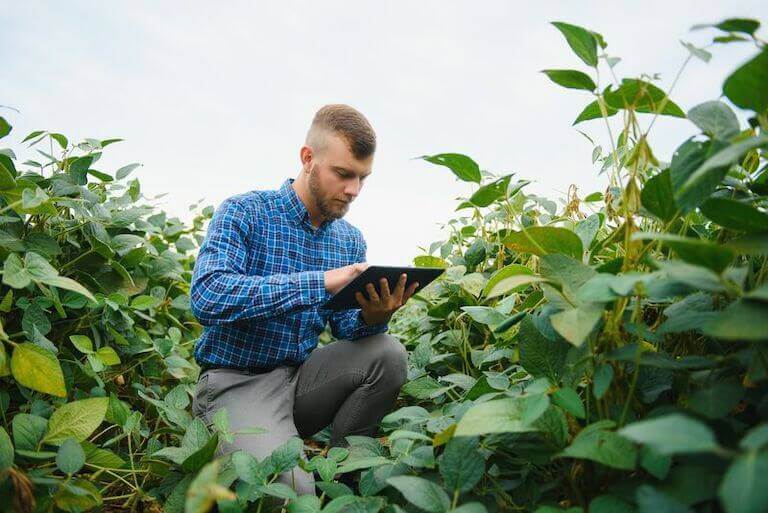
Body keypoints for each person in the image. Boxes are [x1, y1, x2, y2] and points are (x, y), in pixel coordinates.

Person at [189, 104, 418, 497]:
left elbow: (348, 329)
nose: (354, 190)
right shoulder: (245, 212)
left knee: (388, 352)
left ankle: (343, 480)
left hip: (300, 383)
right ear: (308, 159)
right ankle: (298, 477)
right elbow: (209, 295)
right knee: (293, 493)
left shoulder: (349, 240)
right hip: (235, 383)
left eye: (363, 178)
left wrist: (373, 316)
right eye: (343, 174)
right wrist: (320, 282)